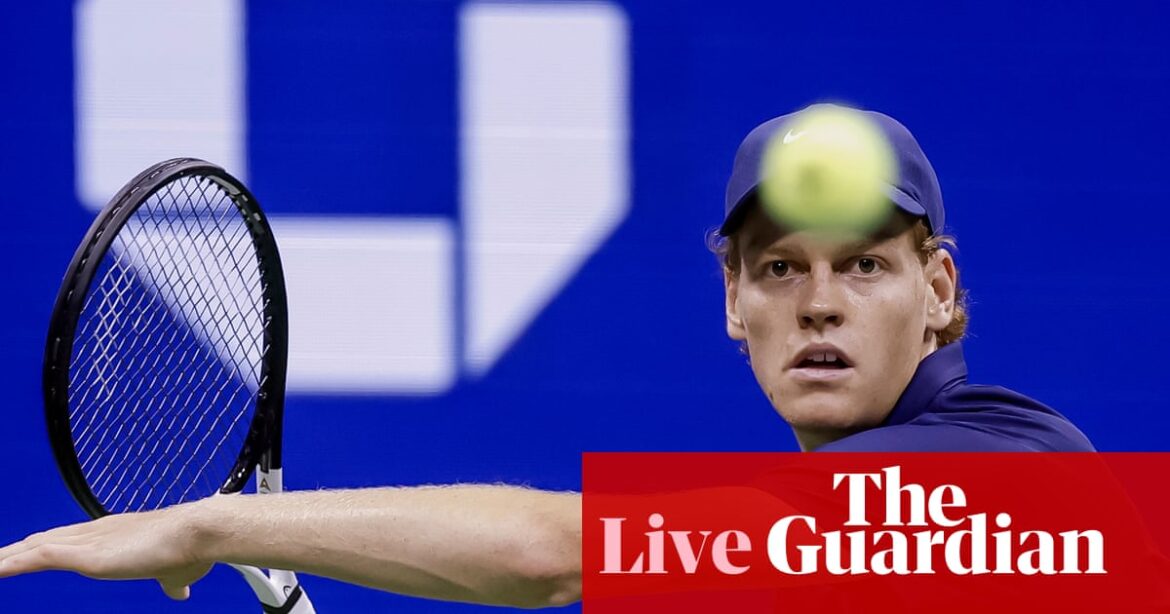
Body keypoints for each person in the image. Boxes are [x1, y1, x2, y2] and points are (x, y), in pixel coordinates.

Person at [0, 104, 1093, 608]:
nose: (817, 305)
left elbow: (555, 553)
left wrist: (216, 522)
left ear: (937, 291)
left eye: (863, 266)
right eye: (777, 268)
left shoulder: (1023, 474)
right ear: (733, 302)